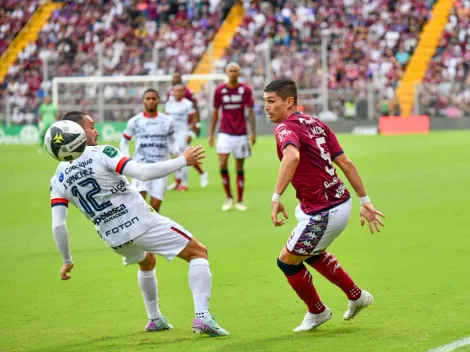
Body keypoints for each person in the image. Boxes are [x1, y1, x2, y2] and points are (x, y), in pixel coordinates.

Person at [50, 111, 229, 337]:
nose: (95, 131)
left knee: (147, 262)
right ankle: (202, 317)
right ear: (75, 132)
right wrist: (183, 160)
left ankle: (155, 319)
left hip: (112, 237)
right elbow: (142, 173)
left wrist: (67, 260)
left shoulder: (57, 179)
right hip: (141, 223)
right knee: (198, 252)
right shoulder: (103, 153)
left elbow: (58, 225)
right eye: (91, 126)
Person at [264, 79, 385, 332]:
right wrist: (365, 201)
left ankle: (317, 311)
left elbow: (292, 156)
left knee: (287, 261)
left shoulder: (285, 128)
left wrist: (276, 198)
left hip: (324, 211)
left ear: (289, 102)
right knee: (311, 252)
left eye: (271, 101)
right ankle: (356, 295)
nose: (266, 107)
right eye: (265, 101)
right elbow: (346, 163)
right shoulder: (318, 124)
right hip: (337, 202)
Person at [120, 89, 177, 213]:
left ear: (158, 101)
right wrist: (126, 157)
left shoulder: (167, 121)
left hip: (161, 166)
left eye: (153, 98)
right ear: (143, 101)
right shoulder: (135, 121)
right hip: (141, 166)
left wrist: (176, 152)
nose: (151, 101)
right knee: (140, 201)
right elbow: (124, 140)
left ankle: (152, 229)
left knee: (155, 206)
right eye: (148, 98)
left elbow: (173, 140)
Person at [208, 63, 256, 211]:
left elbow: (250, 111)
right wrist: (211, 133)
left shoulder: (245, 90)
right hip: (224, 133)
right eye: (231, 71)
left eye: (236, 70)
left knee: (239, 166)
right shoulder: (219, 90)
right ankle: (229, 197)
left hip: (241, 133)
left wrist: (253, 131)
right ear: (226, 73)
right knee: (222, 163)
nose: (233, 73)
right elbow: (215, 112)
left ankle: (240, 200)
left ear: (239, 72)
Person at [165, 84, 209, 191]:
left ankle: (184, 183)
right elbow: (165, 118)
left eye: (181, 91)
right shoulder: (169, 104)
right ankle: (178, 181)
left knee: (184, 158)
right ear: (173, 92)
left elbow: (194, 119)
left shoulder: (187, 104)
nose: (178, 93)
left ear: (183, 93)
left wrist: (191, 133)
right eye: (176, 91)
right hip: (171, 134)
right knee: (175, 157)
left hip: (183, 134)